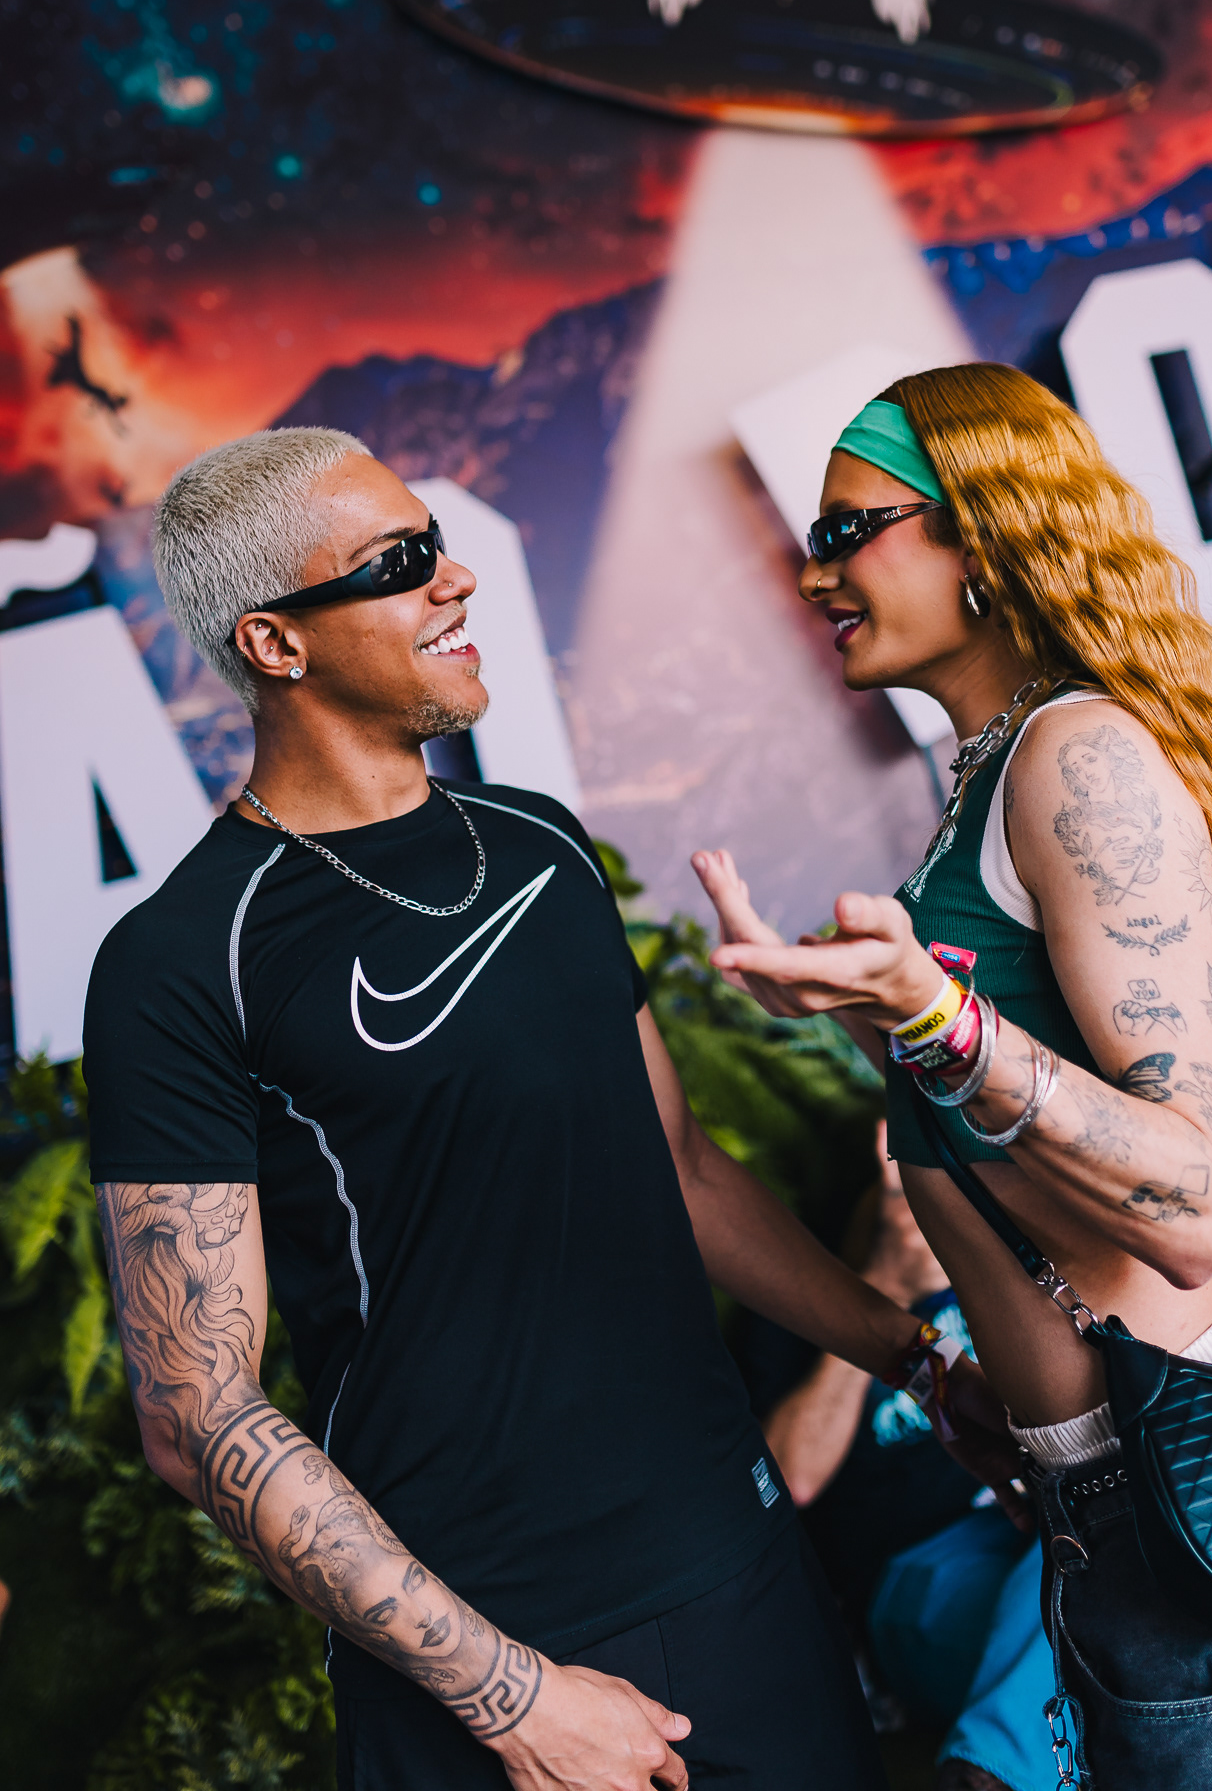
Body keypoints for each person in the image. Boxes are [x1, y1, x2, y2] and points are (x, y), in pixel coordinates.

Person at [83, 426, 928, 1791]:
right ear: (275, 644)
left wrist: (922, 1364)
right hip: (491, 1661)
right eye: (396, 563)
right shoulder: (182, 960)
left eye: (438, 544)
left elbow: (685, 1173)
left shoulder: (541, 844)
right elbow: (196, 1413)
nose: (455, 577)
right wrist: (510, 1694)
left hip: (746, 1571)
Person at [692, 363, 1212, 1790]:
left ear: (981, 533)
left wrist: (932, 1015)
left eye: (848, 530)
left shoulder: (1076, 756)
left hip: (1198, 1491)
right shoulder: (994, 778)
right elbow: (1010, 1136)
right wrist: (872, 1012)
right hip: (1104, 1506)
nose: (813, 575)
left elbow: (1193, 1202)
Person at [747, 1123, 1056, 1791]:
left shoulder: (1005, 1255)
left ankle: (988, 1772)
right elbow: (790, 1478)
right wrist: (886, 1284)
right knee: (1093, 1626)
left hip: (1039, 1527)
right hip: (917, 1566)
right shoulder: (791, 1295)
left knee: (1117, 1561)